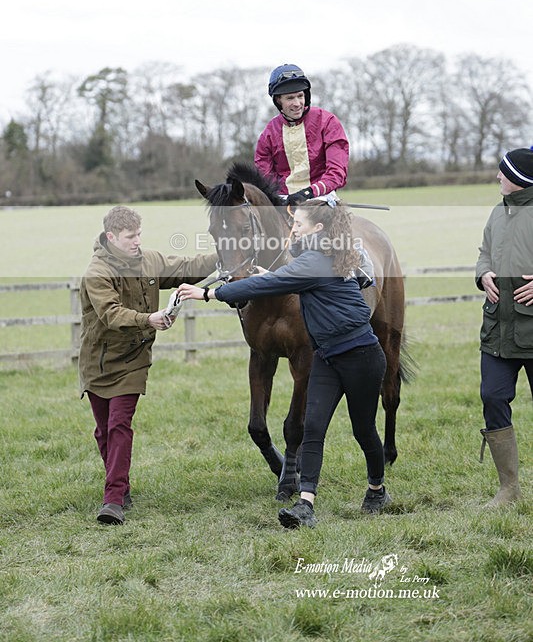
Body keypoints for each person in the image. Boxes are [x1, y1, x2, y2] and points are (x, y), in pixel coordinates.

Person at [177, 199, 390, 528]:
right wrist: (269, 273)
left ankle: (377, 490)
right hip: (327, 357)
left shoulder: (316, 261)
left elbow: (273, 283)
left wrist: (208, 295)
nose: (292, 230)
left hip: (361, 356)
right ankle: (306, 505)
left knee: (364, 432)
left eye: (298, 225)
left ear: (317, 229)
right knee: (314, 428)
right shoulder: (317, 257)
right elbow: (284, 277)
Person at [79, 205, 217, 525]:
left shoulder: (150, 260)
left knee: (119, 425)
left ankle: (113, 499)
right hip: (98, 361)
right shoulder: (97, 272)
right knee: (103, 431)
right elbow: (111, 314)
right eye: (130, 236)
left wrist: (222, 256)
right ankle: (122, 485)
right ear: (112, 237)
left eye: (139, 234)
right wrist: (149, 319)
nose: (137, 241)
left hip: (134, 360)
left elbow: (186, 267)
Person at [476, 146, 533, 507]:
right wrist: (483, 273)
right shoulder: (498, 213)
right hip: (497, 331)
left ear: (518, 179)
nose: (497, 176)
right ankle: (508, 489)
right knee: (493, 397)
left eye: (502, 172)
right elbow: (484, 251)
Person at [254, 64, 350, 206]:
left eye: (300, 96)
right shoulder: (268, 134)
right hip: (284, 201)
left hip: (321, 198)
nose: (297, 103)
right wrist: (280, 197)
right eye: (290, 98)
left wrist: (308, 192)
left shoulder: (328, 122)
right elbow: (265, 177)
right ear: (278, 100)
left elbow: (337, 172)